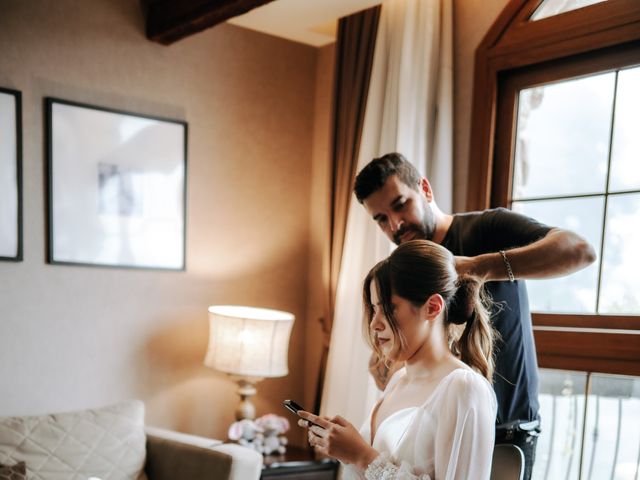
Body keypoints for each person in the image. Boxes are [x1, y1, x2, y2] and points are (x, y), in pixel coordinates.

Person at [349, 152, 597, 479]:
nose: (395, 225)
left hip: (506, 428)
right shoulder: (406, 264)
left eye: (400, 205)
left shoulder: (488, 228)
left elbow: (580, 250)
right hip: (439, 430)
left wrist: (475, 268)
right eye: (381, 218)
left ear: (425, 189)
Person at [299, 239, 497, 479]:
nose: (374, 324)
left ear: (432, 307)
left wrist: (360, 456)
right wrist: (342, 447)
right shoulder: (398, 380)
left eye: (389, 309)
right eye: (374, 310)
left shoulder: (463, 388)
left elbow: (369, 462)